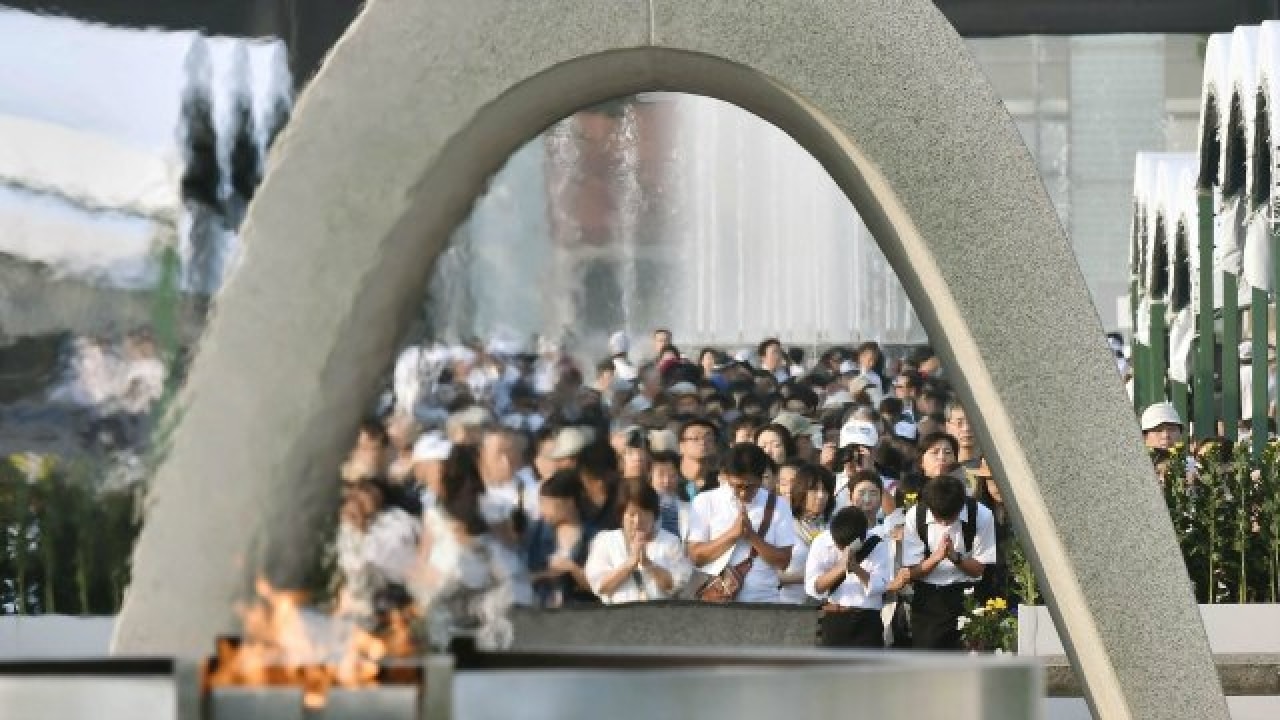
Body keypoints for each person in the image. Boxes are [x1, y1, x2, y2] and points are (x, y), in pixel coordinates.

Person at [687, 443, 795, 603]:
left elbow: (784, 561)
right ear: (725, 476)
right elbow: (696, 556)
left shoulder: (779, 505)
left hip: (764, 600)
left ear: (761, 478)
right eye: (737, 486)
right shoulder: (705, 501)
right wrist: (732, 535)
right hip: (716, 601)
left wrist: (751, 536)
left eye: (751, 486)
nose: (743, 492)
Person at [901, 474, 997, 650]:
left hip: (969, 595)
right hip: (929, 599)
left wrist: (955, 557)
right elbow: (912, 572)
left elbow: (978, 569)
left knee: (969, 661)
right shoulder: (916, 515)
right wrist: (937, 557)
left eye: (950, 518)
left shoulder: (981, 514)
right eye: (939, 518)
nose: (944, 523)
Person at [585, 480, 693, 604]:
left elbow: (675, 585)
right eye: (631, 515)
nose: (637, 521)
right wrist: (629, 564)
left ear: (654, 515)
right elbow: (600, 587)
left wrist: (648, 564)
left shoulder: (670, 542)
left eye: (644, 514)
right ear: (621, 515)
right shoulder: (605, 541)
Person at [805, 507, 892, 647]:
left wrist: (856, 568)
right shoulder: (822, 542)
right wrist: (841, 567)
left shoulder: (877, 544)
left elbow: (881, 586)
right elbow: (813, 587)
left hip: (867, 620)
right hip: (834, 617)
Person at [523, 470, 598, 608]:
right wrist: (545, 574)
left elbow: (599, 586)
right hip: (541, 610)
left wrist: (572, 568)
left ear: (569, 502)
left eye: (547, 504)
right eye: (541, 504)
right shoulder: (535, 533)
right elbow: (522, 575)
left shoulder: (595, 536)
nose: (542, 510)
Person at [778, 463, 834, 604]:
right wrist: (807, 576)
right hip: (788, 605)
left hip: (825, 608)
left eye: (825, 490)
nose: (821, 496)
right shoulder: (782, 524)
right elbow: (767, 575)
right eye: (814, 490)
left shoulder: (832, 527)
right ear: (801, 491)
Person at [650, 449, 689, 539]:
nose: (666, 481)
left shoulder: (688, 507)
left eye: (672, 475)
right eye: (661, 475)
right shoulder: (644, 505)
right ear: (650, 476)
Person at [678, 417, 720, 498]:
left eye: (708, 439)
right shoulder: (669, 480)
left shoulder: (721, 482)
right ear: (681, 446)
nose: (702, 442)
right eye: (695, 438)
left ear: (715, 446)